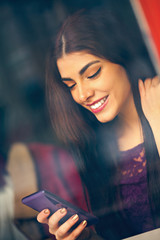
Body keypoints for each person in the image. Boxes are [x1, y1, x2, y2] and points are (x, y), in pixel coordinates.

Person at [37, 8, 160, 240]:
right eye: (71, 85)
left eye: (92, 73)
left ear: (123, 59)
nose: (82, 94)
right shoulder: (96, 148)